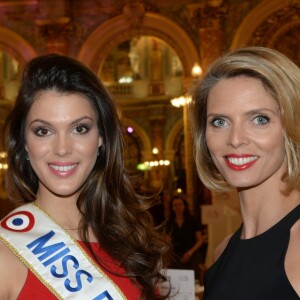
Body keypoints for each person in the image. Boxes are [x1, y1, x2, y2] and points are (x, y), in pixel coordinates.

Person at [0, 54, 171, 299]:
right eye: (43, 131)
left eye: (80, 129)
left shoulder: (128, 238)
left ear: (101, 138)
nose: (62, 148)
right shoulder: (5, 255)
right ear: (25, 143)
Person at [189, 46, 300, 299]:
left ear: (291, 125)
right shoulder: (222, 252)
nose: (236, 139)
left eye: (259, 119)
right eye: (220, 122)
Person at [166, 195, 204, 281]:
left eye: (180, 204)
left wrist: (189, 253)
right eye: (175, 205)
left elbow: (200, 240)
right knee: (176, 279)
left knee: (194, 279)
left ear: (184, 206)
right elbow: (168, 242)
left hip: (192, 253)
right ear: (172, 208)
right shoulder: (169, 223)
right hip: (176, 255)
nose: (178, 207)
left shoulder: (193, 220)